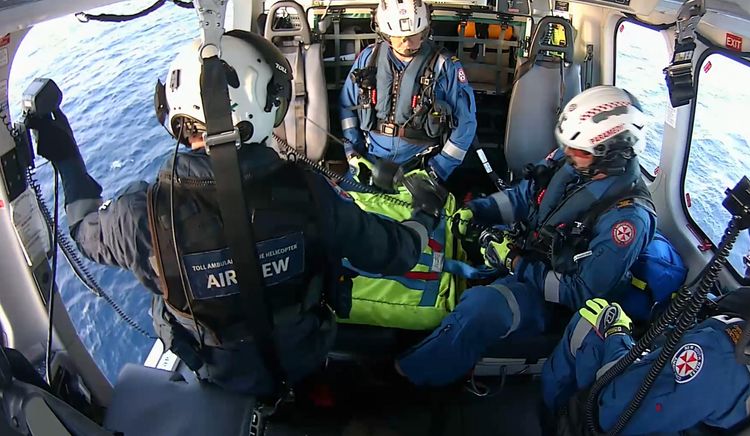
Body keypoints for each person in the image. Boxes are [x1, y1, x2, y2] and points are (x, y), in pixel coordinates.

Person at [28, 30, 447, 396]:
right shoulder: (310, 192)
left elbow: (83, 229)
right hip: (305, 355)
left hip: (215, 372)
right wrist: (423, 217)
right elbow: (394, 254)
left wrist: (65, 157)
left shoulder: (139, 215)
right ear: (264, 104)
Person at [395, 85, 657, 385]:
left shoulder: (626, 219)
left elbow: (582, 293)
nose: (569, 154)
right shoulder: (573, 158)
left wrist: (514, 262)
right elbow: (525, 197)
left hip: (554, 299)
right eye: (567, 147)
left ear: (613, 154)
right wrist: (477, 211)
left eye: (580, 152)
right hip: (528, 249)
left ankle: (411, 374)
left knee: (481, 310)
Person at [542, 146, 750, 434]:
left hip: (619, 415)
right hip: (675, 405)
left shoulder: (725, 352)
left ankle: (553, 422)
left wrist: (616, 335)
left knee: (588, 322)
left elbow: (617, 410)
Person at [338, 0, 477, 182]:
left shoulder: (446, 66)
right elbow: (347, 105)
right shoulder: (368, 58)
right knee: (344, 204)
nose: (406, 43)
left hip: (421, 166)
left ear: (425, 31)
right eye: (399, 36)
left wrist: (438, 170)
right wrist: (352, 152)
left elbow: (466, 123)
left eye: (414, 35)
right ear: (386, 33)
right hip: (370, 159)